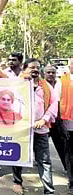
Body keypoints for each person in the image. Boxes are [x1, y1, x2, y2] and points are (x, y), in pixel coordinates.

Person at [12, 58, 57, 195]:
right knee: (19, 157)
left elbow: (54, 103)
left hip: (41, 129)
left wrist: (44, 119)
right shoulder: (18, 84)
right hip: (22, 128)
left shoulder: (46, 86)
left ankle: (49, 190)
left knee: (44, 160)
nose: (35, 70)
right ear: (24, 69)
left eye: (37, 67)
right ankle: (17, 183)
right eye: (32, 67)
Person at [54, 57, 73, 194]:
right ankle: (71, 181)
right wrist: (61, 124)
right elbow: (57, 102)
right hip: (69, 123)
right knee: (70, 154)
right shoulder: (63, 81)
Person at [43, 65, 67, 171]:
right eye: (48, 72)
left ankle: (68, 169)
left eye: (53, 72)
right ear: (44, 74)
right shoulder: (41, 85)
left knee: (62, 146)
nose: (51, 74)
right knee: (39, 146)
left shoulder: (60, 85)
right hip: (44, 121)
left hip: (58, 121)